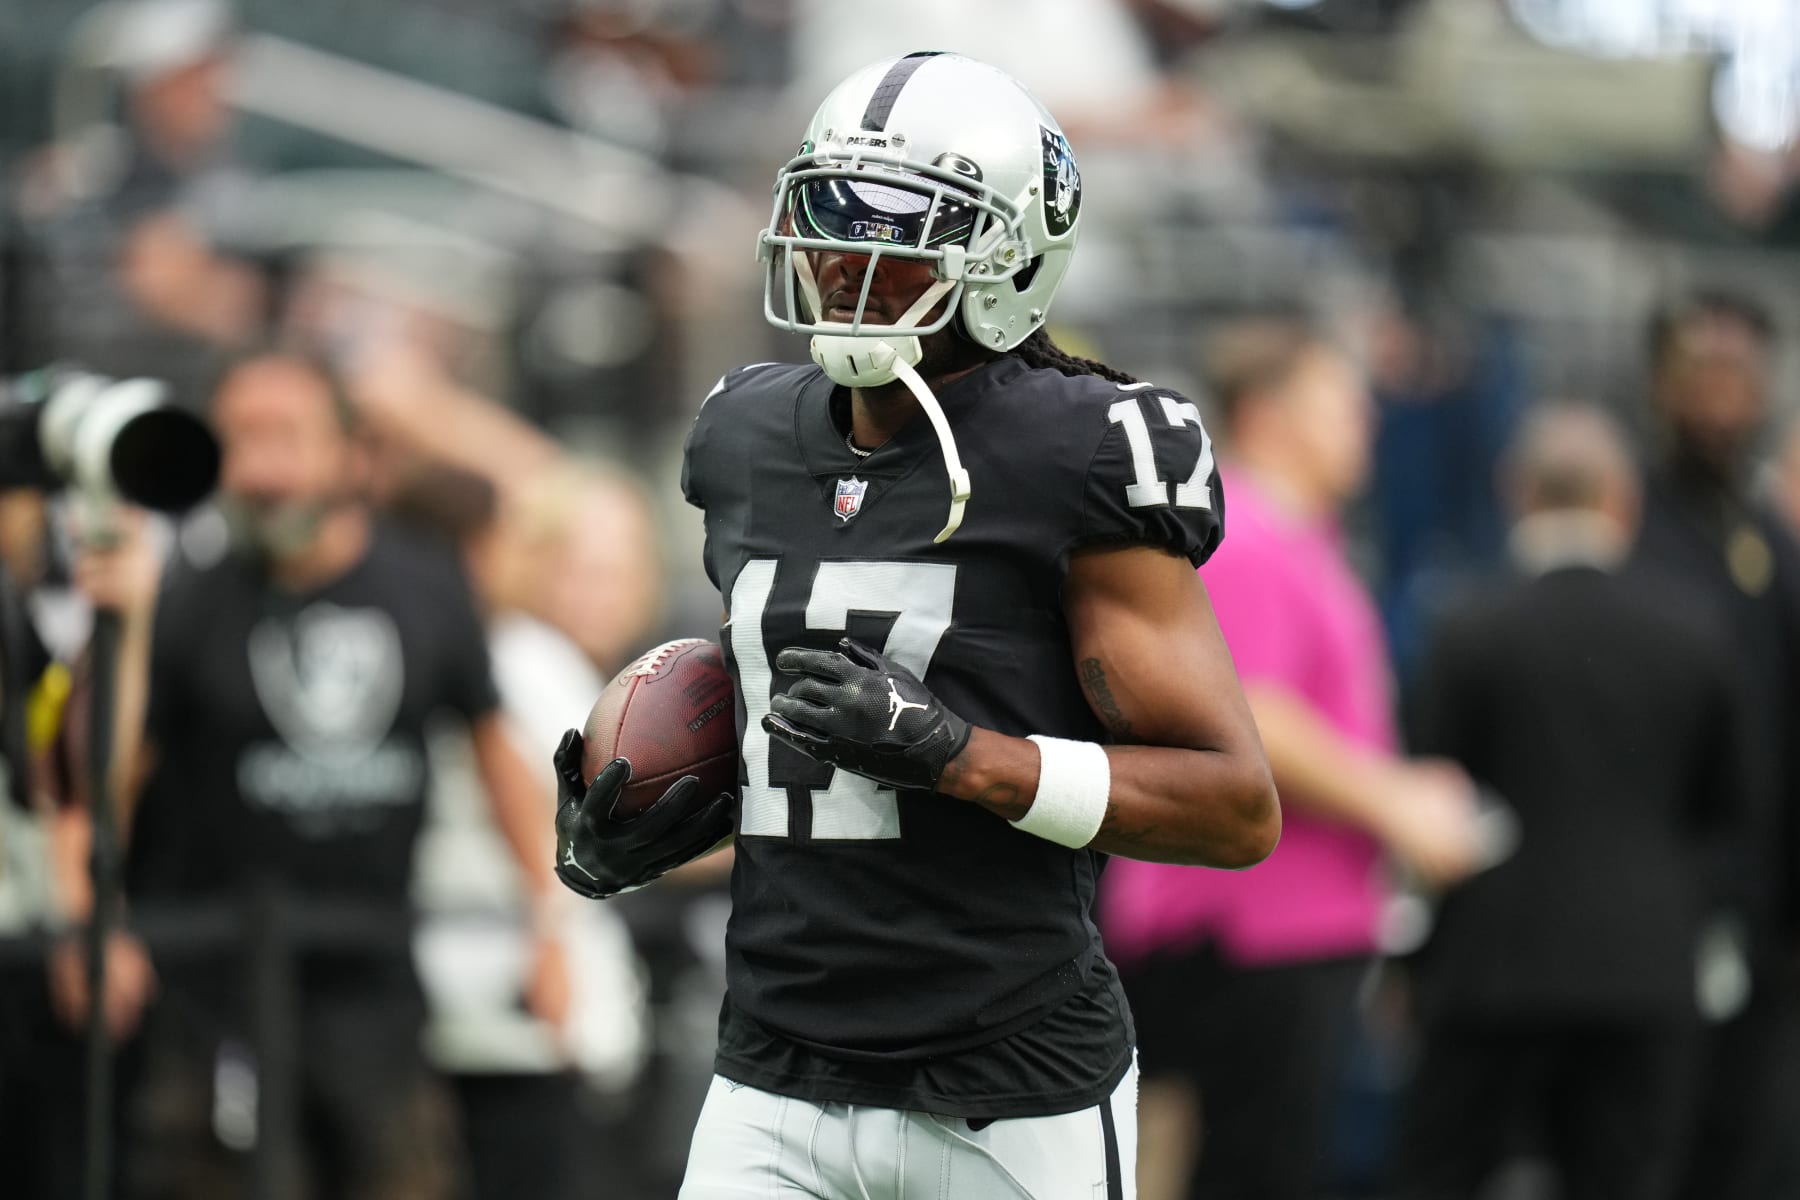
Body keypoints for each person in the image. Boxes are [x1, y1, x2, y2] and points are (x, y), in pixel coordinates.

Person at [553, 52, 1280, 1198]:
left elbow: (1235, 806)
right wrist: (644, 810)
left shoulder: (1075, 449)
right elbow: (805, 756)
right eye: (831, 216)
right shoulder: (746, 434)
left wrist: (963, 758)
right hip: (772, 1074)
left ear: (1008, 258)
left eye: (900, 229)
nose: (851, 260)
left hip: (1006, 1082)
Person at [58, 348, 570, 1200]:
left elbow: (499, 761)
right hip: (213, 993)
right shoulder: (185, 595)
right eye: (241, 440)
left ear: (350, 454)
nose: (263, 470)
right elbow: (97, 782)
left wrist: (550, 926)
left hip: (378, 987)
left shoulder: (425, 583)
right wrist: (92, 918)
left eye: (287, 437)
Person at [1097, 318, 1485, 1200]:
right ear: (1269, 414)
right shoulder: (1247, 532)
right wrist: (1397, 805)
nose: (1366, 422)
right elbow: (1252, 713)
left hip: (1281, 931)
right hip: (1246, 932)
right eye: (1340, 403)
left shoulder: (1293, 536)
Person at [1397, 404, 1741, 1200]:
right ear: (1623, 499)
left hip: (1488, 971)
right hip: (1645, 969)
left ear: (1515, 491)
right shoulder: (1695, 634)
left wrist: (1410, 963)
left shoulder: (1467, 631)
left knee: (1443, 1175)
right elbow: (1729, 807)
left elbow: (1430, 805)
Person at [1629, 289, 1800, 1200]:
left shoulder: (1765, 536)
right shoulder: (1634, 534)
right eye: (1707, 372)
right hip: (1665, 915)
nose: (1728, 395)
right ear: (1662, 385)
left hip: (1766, 920)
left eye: (1745, 372)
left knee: (1753, 1153)